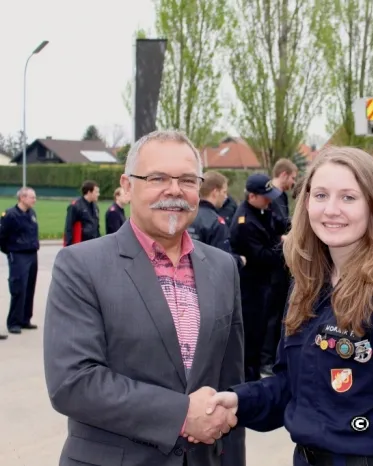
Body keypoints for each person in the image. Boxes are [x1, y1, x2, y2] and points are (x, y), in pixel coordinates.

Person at [203, 146, 373, 465]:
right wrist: (237, 401)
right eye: (320, 195)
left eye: (348, 197)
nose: (331, 210)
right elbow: (291, 387)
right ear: (306, 203)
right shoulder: (307, 286)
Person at [43, 129, 246, 466]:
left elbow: (230, 386)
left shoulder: (223, 268)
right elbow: (73, 382)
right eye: (157, 178)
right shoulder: (80, 265)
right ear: (126, 186)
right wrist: (182, 414)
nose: (174, 190)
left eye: (187, 180)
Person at [229, 173, 286, 382]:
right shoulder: (245, 222)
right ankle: (249, 375)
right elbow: (261, 256)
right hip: (251, 287)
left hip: (265, 283)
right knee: (252, 333)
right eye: (265, 197)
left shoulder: (261, 210)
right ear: (252, 196)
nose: (269, 201)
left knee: (264, 327)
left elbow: (277, 224)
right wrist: (284, 246)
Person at [260, 158, 298, 376]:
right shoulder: (273, 199)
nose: (293, 182)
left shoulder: (280, 196)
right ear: (284, 174)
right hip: (272, 266)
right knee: (272, 315)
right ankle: (267, 359)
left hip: (280, 264)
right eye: (293, 177)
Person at [0, 187, 39, 337]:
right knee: (19, 288)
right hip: (18, 254)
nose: (34, 200)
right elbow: (2, 236)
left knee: (29, 287)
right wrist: (10, 251)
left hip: (32, 253)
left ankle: (25, 319)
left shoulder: (31, 213)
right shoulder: (10, 215)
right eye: (32, 197)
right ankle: (14, 322)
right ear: (22, 198)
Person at [188, 170, 246, 270]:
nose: (226, 196)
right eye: (224, 192)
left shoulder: (188, 216)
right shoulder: (216, 223)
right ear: (215, 192)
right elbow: (222, 261)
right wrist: (239, 260)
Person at [63, 180, 101, 246]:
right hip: (81, 245)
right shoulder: (75, 206)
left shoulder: (95, 207)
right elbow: (69, 228)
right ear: (89, 192)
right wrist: (69, 246)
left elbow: (96, 227)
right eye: (96, 192)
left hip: (93, 244)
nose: (98, 194)